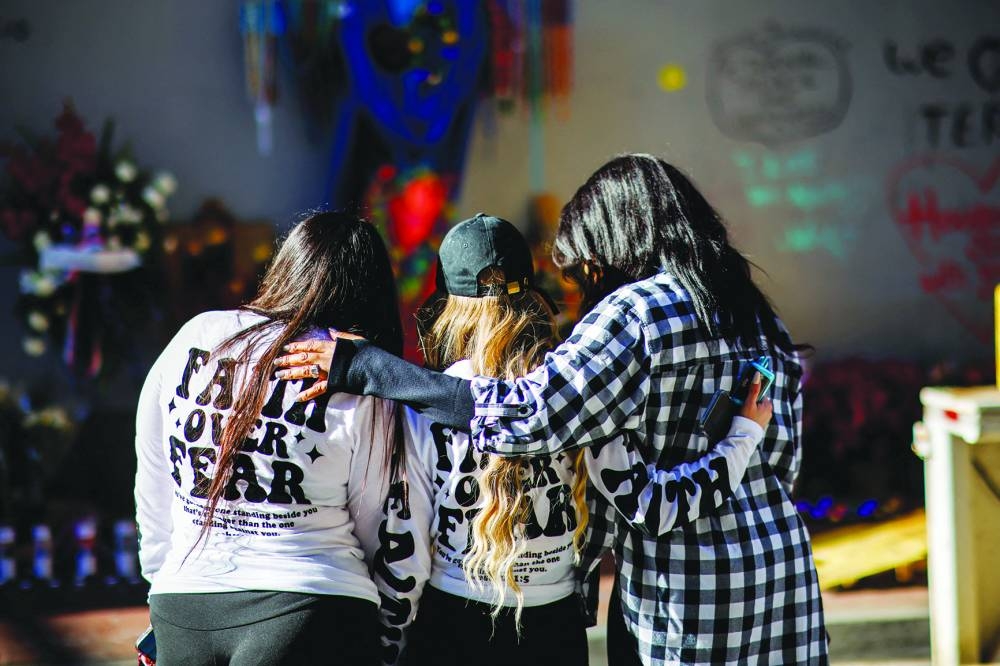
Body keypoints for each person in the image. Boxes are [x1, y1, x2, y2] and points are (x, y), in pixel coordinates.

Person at [276, 157, 829, 665]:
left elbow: (530, 416)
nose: (587, 281)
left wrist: (366, 368)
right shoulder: (750, 308)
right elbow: (785, 459)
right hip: (784, 575)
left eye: (585, 267)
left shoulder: (635, 312)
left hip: (687, 596)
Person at [134, 211, 423, 666]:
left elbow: (154, 484)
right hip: (314, 602)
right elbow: (376, 524)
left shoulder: (196, 336)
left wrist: (161, 588)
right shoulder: (354, 371)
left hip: (184, 602)